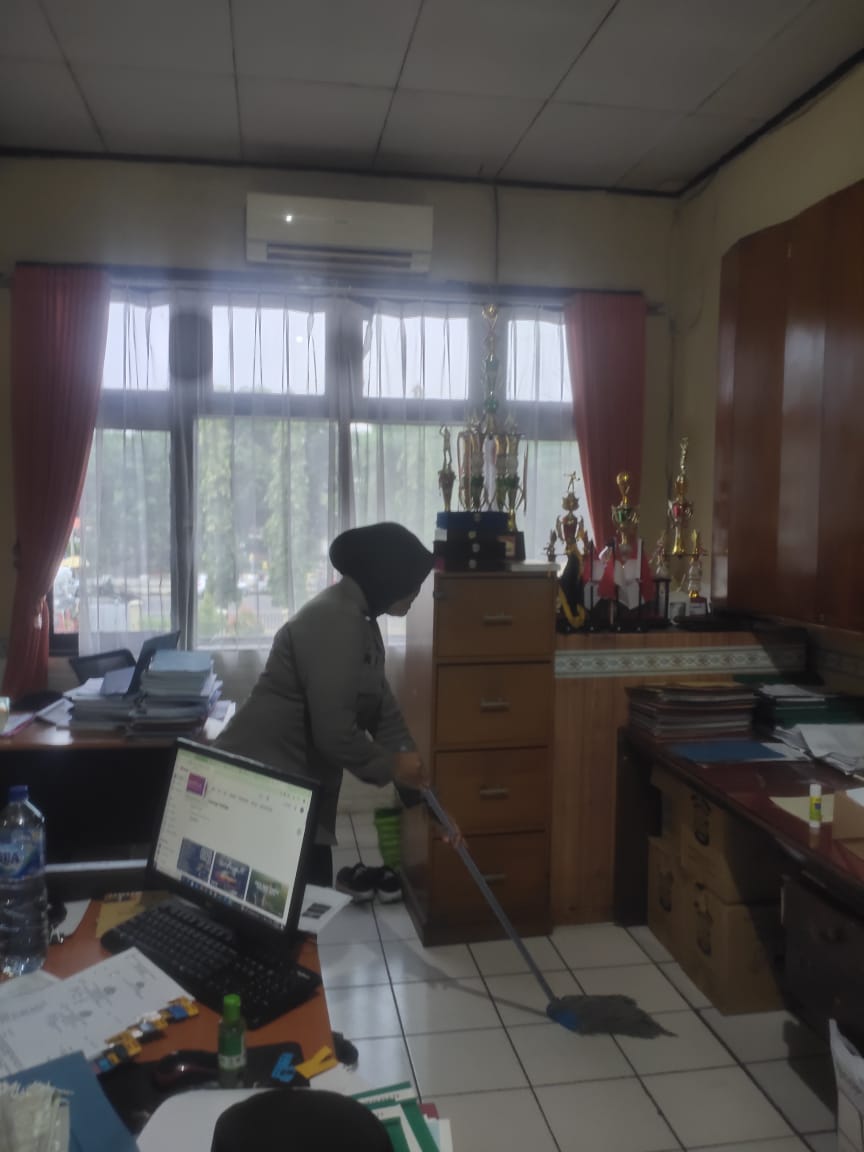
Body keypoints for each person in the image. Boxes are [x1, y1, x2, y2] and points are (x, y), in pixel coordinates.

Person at [215, 521, 454, 897]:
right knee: (288, 907)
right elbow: (334, 733)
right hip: (260, 792)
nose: (416, 593)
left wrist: (425, 802)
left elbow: (383, 713)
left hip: (292, 795)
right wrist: (394, 766)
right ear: (388, 578)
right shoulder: (335, 620)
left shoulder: (361, 621)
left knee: (308, 901)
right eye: (412, 583)